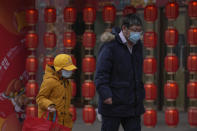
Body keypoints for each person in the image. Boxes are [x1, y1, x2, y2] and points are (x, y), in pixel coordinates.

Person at [95, 14, 145, 131]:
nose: (137, 34)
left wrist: (140, 94)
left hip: (133, 104)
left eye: (139, 31)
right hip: (113, 103)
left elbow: (137, 74)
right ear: (124, 29)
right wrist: (106, 94)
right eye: (134, 30)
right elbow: (101, 74)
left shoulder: (138, 46)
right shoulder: (110, 46)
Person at [36, 54, 77, 130]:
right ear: (59, 69)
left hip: (64, 125)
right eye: (66, 70)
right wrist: (49, 105)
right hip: (51, 123)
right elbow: (40, 98)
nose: (69, 72)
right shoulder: (49, 81)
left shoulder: (67, 83)